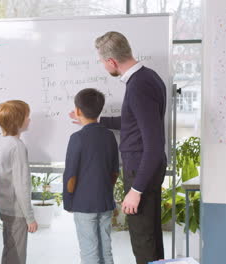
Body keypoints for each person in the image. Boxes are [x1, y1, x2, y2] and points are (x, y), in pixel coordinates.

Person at [71, 31, 167, 264]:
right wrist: (99, 121)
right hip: (146, 169)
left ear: (111, 61)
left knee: (143, 241)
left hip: (141, 171)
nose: (104, 67)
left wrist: (136, 190)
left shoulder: (138, 87)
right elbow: (133, 121)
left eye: (103, 62)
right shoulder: (148, 77)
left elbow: (153, 145)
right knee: (151, 237)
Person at [63, 88, 119, 264]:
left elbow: (70, 176)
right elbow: (114, 172)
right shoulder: (110, 136)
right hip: (105, 201)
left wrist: (68, 202)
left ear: (78, 111)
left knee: (89, 251)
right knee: (105, 248)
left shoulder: (76, 138)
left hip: (83, 204)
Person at [0, 100, 38, 264]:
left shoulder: (4, 142)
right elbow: (22, 185)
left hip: (5, 206)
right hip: (16, 209)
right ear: (18, 121)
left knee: (9, 249)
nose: (29, 120)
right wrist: (30, 217)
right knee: (17, 256)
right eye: (27, 116)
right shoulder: (17, 146)